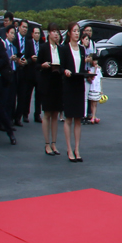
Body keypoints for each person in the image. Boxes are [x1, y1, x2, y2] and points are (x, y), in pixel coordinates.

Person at [56, 23, 87, 162]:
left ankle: (77, 148)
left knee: (78, 119)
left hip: (79, 84)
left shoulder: (81, 48)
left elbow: (83, 68)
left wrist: (89, 74)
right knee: (68, 118)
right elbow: (61, 67)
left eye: (78, 31)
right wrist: (65, 71)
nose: (76, 33)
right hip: (68, 84)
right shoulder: (64, 49)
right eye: (74, 31)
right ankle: (69, 148)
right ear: (69, 33)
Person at [37, 25, 64, 155]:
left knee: (55, 114)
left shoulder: (60, 49)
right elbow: (37, 64)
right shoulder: (43, 48)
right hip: (47, 82)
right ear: (49, 34)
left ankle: (54, 143)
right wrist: (42, 65)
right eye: (53, 32)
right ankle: (47, 143)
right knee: (47, 113)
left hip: (57, 82)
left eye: (57, 32)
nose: (56, 35)